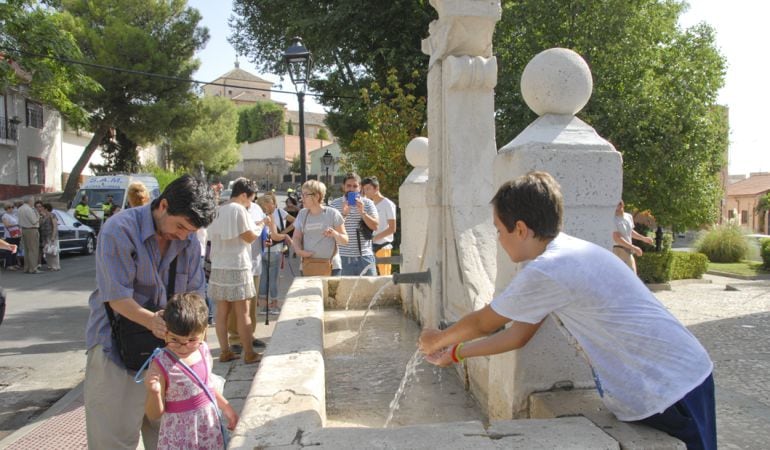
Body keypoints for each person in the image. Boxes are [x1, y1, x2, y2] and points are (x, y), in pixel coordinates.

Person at [418, 172, 715, 450]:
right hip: (679, 375)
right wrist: (456, 353)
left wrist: (438, 339)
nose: (498, 239)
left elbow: (485, 322)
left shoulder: (549, 269)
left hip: (671, 387)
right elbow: (518, 335)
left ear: (520, 229)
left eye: (498, 230)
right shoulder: (564, 255)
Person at [84, 174, 216, 449]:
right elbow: (116, 296)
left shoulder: (188, 241)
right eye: (180, 226)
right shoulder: (119, 230)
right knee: (113, 440)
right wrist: (152, 321)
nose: (182, 236)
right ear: (163, 205)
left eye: (189, 232)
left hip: (169, 351)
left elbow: (196, 295)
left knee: (168, 436)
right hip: (115, 349)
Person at [143, 292, 237, 449]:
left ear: (204, 331)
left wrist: (226, 407)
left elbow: (208, 388)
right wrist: (154, 392)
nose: (183, 346)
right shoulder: (161, 364)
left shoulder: (204, 350)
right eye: (174, 339)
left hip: (208, 432)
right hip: (179, 439)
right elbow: (154, 414)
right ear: (165, 331)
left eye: (191, 340)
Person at [207, 178, 262, 364]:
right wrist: (261, 226)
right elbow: (249, 237)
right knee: (242, 312)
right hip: (237, 265)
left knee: (222, 312)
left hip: (218, 265)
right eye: (251, 199)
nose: (251, 203)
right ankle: (249, 353)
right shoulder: (238, 209)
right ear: (244, 195)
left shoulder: (218, 210)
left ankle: (225, 351)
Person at [227, 197, 266, 351]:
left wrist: (266, 238)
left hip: (255, 262)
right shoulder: (232, 210)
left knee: (252, 303)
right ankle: (235, 339)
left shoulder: (257, 208)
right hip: (238, 263)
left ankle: (249, 334)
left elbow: (263, 231)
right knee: (236, 304)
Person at [292, 180, 348, 276]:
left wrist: (335, 234)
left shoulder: (333, 213)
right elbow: (296, 237)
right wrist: (298, 251)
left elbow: (345, 240)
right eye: (302, 194)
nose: (302, 198)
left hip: (331, 267)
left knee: (330, 292)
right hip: (308, 266)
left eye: (305, 195)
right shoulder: (302, 214)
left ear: (317, 196)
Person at [329, 173, 379, 276]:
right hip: (342, 257)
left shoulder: (368, 203)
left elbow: (375, 226)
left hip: (365, 256)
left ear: (360, 187)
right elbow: (330, 231)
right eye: (348, 186)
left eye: (355, 186)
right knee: (343, 291)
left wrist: (363, 212)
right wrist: (344, 215)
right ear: (343, 187)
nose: (351, 189)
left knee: (371, 290)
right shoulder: (334, 204)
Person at [256, 194, 292, 314]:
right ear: (267, 204)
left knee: (263, 279)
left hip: (261, 251)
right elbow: (275, 235)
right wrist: (286, 235)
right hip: (274, 251)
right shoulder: (270, 217)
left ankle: (263, 306)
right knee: (273, 279)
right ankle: (274, 305)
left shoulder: (257, 216)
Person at [362, 176, 397, 275]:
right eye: (364, 189)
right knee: (369, 276)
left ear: (377, 188)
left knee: (384, 276)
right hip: (370, 246)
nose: (366, 192)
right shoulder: (370, 205)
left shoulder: (388, 204)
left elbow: (392, 228)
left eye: (368, 189)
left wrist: (375, 238)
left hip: (383, 246)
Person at [612, 200, 654, 274]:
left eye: (616, 206)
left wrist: (644, 238)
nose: (615, 209)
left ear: (621, 205)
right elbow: (617, 238)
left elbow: (630, 232)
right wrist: (634, 248)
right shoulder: (613, 219)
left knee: (631, 275)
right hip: (618, 249)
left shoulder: (628, 216)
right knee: (631, 275)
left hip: (627, 250)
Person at [17, 197, 40, 274]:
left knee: (26, 250)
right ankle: (33, 268)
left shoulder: (20, 209)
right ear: (30, 201)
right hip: (31, 229)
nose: (33, 202)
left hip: (24, 229)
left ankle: (27, 268)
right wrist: (39, 217)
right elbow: (33, 221)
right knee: (33, 250)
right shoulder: (29, 209)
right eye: (33, 200)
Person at [39, 203, 60, 271]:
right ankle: (50, 265)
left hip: (51, 235)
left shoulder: (52, 215)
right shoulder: (43, 216)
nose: (41, 209)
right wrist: (41, 217)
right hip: (44, 236)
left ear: (46, 208)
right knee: (47, 251)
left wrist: (53, 236)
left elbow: (55, 226)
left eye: (42, 207)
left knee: (53, 251)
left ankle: (55, 266)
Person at [1, 204, 21, 270]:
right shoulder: (5, 216)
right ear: (6, 209)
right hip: (9, 235)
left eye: (12, 207)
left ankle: (14, 263)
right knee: (9, 250)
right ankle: (9, 265)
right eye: (9, 208)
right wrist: (16, 224)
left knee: (15, 249)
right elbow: (6, 225)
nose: (11, 209)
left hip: (16, 234)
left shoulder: (14, 215)